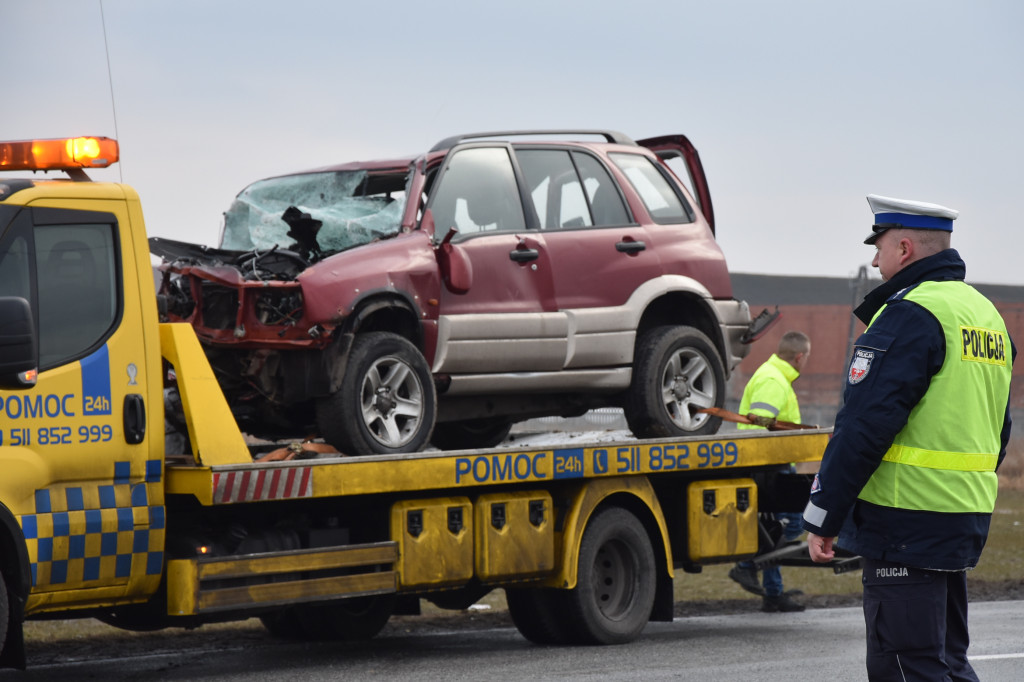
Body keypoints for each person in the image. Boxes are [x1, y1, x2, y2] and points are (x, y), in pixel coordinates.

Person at [803, 194, 1013, 680]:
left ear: (903, 248)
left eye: (877, 247)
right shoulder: (985, 317)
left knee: (907, 666)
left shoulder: (909, 314)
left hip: (904, 521)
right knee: (945, 662)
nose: (873, 261)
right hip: (960, 515)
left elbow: (863, 427)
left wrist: (823, 515)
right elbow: (997, 428)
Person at [728, 330, 811, 613]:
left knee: (776, 528)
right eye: (806, 358)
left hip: (773, 464)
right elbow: (762, 426)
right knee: (794, 524)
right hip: (769, 466)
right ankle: (746, 564)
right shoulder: (774, 380)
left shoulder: (775, 376)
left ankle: (773, 593)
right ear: (799, 357)